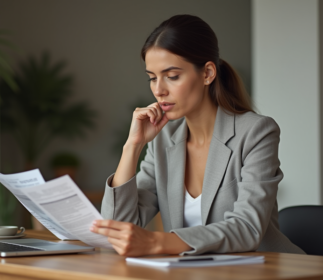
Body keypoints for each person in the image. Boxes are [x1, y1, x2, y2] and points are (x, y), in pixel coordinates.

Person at [89, 14, 305, 257]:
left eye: (172, 76)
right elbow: (118, 226)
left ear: (207, 73)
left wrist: (157, 242)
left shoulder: (256, 132)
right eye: (152, 78)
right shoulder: (163, 139)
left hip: (267, 270)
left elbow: (247, 228)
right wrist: (133, 145)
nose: (159, 90)